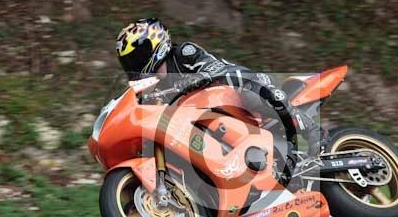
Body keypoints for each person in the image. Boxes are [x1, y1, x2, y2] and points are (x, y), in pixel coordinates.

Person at [115, 17, 318, 144]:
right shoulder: (154, 89)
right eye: (129, 61)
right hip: (215, 120)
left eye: (137, 57)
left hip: (240, 85)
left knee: (251, 91)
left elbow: (214, 67)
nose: (135, 65)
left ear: (156, 45)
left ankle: (310, 129)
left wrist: (195, 78)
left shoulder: (184, 52)